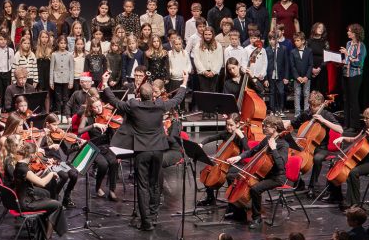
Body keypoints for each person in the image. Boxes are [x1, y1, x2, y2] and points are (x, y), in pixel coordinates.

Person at [100, 70, 185, 230]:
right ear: (153, 95)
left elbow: (114, 101)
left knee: (143, 185)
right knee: (155, 184)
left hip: (142, 151)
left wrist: (105, 84)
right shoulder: (160, 105)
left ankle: (146, 222)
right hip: (158, 150)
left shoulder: (133, 105)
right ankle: (153, 216)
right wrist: (184, 83)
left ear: (139, 94)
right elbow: (177, 99)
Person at [225, 115, 289, 230]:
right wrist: (238, 157)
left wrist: (274, 149)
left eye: (266, 126)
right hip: (262, 173)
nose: (263, 128)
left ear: (275, 128)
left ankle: (257, 218)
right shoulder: (267, 139)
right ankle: (239, 213)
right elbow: (252, 151)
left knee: (255, 189)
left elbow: (281, 166)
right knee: (231, 176)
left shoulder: (283, 144)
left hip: (276, 177)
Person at [7, 137, 65, 240]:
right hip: (27, 204)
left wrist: (45, 171)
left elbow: (33, 179)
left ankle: (42, 237)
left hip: (25, 200)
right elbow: (42, 183)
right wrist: (51, 174)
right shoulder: (24, 169)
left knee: (48, 200)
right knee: (57, 205)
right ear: (32, 155)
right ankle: (47, 239)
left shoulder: (19, 165)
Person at [283, 90, 342, 196]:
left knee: (317, 159)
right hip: (305, 145)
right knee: (289, 155)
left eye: (316, 106)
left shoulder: (326, 114)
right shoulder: (307, 113)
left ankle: (312, 186)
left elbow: (340, 129)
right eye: (311, 106)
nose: (313, 109)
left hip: (321, 147)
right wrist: (284, 124)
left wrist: (323, 120)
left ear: (322, 104)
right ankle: (299, 183)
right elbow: (294, 123)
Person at [331, 105, 369, 208]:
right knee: (337, 164)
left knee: (353, 172)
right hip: (362, 160)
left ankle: (355, 203)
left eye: (367, 118)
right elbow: (355, 139)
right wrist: (342, 138)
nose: (364, 120)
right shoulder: (366, 128)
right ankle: (339, 197)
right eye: (364, 117)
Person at [195, 113, 248, 205]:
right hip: (223, 161)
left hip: (236, 163)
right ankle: (210, 198)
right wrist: (201, 143)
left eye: (231, 125)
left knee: (229, 175)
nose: (228, 127)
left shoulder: (241, 136)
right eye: (227, 124)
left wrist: (242, 137)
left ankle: (233, 202)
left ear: (238, 124)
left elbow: (248, 150)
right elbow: (210, 138)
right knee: (205, 172)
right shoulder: (225, 134)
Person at [79, 96, 119, 201]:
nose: (99, 109)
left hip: (106, 145)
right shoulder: (87, 118)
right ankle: (98, 187)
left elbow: (113, 135)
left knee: (114, 162)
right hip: (93, 147)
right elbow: (79, 131)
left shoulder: (106, 116)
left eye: (100, 106)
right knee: (103, 165)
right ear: (91, 108)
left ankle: (112, 190)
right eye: (96, 107)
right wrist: (94, 125)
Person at [340, 23, 367, 129]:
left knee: (353, 100)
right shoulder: (348, 43)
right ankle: (346, 124)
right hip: (345, 74)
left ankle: (354, 125)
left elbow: (359, 62)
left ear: (355, 33)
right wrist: (341, 61)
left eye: (350, 31)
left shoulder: (361, 46)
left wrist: (347, 54)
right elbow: (347, 60)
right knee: (346, 99)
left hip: (355, 75)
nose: (348, 32)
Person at [264, 32, 290, 116]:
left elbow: (286, 64)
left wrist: (286, 77)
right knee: (272, 93)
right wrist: (266, 78)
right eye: (270, 39)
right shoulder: (266, 50)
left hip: (280, 75)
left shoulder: (283, 49)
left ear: (278, 39)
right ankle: (272, 110)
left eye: (273, 39)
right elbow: (265, 64)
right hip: (270, 75)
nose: (271, 41)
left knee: (281, 92)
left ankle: (281, 110)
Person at [288, 32, 313, 115]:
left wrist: (307, 77)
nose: (296, 42)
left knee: (306, 94)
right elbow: (292, 66)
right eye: (295, 41)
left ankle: (306, 113)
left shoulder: (309, 51)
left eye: (298, 40)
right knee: (297, 94)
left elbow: (310, 65)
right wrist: (297, 77)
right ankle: (297, 114)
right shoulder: (293, 52)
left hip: (306, 77)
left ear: (303, 41)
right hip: (297, 77)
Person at [307, 22, 330, 94]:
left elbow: (327, 57)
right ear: (314, 28)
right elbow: (306, 57)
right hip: (310, 69)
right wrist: (312, 68)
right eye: (319, 27)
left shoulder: (325, 42)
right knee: (311, 91)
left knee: (321, 92)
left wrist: (319, 68)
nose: (321, 29)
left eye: (322, 28)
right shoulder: (308, 42)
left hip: (322, 69)